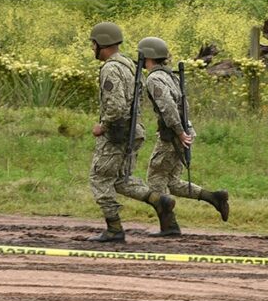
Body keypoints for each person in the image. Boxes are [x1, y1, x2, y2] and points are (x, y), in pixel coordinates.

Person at [87, 22, 176, 243]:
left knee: (99, 178)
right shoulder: (127, 63)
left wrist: (103, 126)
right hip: (133, 130)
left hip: (117, 133)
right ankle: (158, 200)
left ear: (102, 43)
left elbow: (116, 107)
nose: (92, 48)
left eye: (93, 44)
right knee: (121, 180)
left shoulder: (111, 68)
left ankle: (114, 228)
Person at [137, 37, 230, 237]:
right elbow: (183, 104)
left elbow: (168, 107)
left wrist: (179, 132)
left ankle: (169, 226)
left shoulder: (154, 78)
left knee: (155, 179)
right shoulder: (171, 75)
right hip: (183, 132)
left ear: (149, 57)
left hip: (173, 136)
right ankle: (214, 197)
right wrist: (185, 131)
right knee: (172, 182)